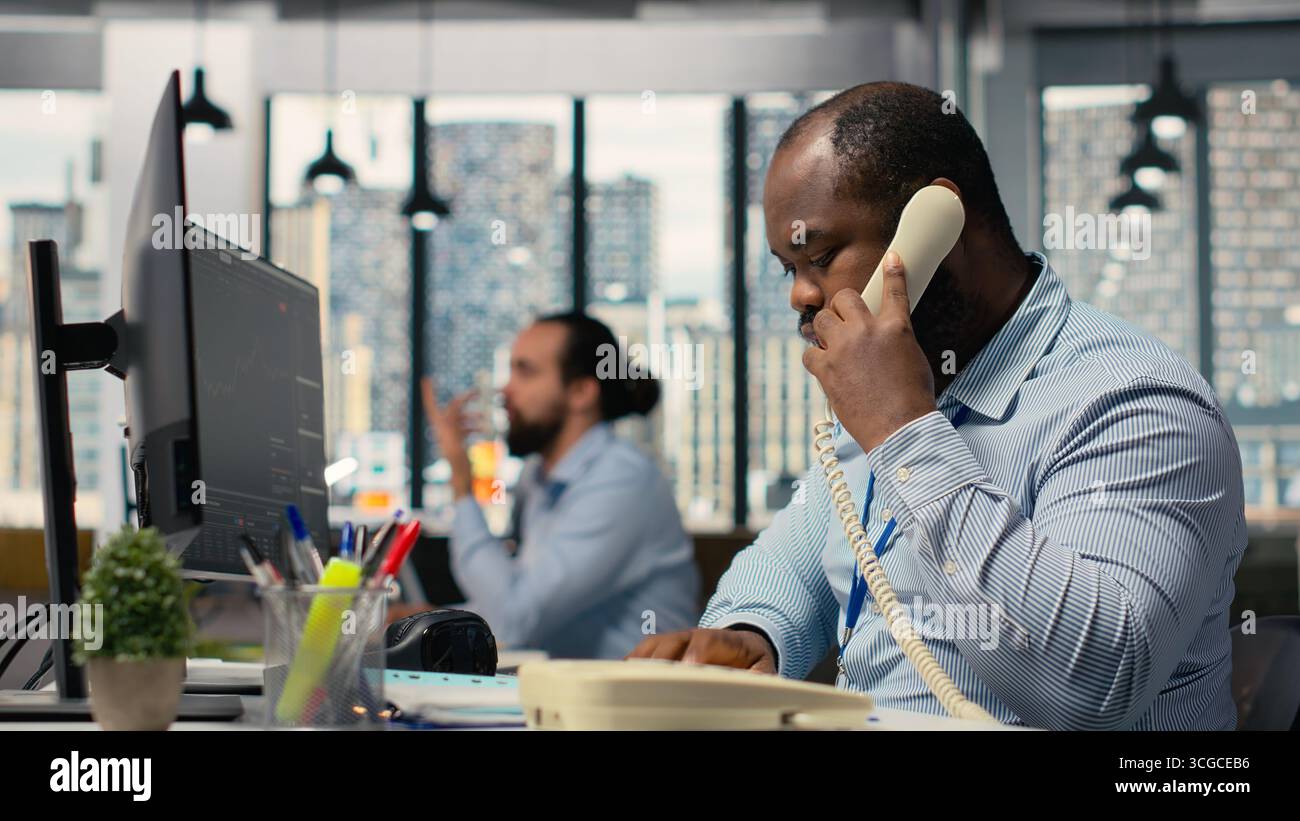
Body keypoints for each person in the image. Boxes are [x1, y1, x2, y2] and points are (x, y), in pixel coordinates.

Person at [629, 81, 1248, 730]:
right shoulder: (889, 402)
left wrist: (902, 428)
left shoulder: (1137, 403)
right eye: (790, 269)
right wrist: (754, 633)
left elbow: (1091, 683)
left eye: (819, 256)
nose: (800, 297)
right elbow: (780, 567)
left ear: (937, 224)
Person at [425, 312, 699, 659]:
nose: (506, 390)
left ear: (582, 392)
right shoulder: (537, 477)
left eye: (525, 371)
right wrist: (427, 617)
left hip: (633, 701)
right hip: (569, 692)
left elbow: (514, 619)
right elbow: (522, 599)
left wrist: (462, 484)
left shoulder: (621, 480)